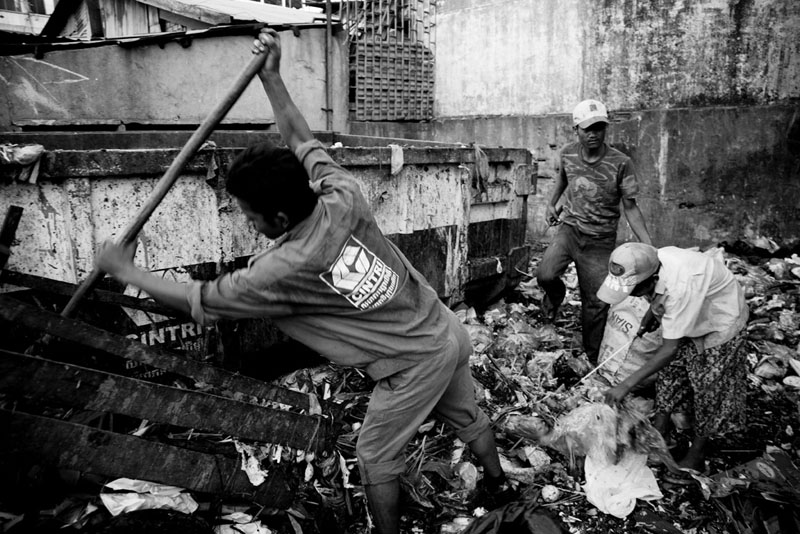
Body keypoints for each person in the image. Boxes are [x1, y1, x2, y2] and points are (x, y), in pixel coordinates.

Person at [95, 28, 511, 534]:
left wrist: (126, 270)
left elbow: (198, 299)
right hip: (444, 329)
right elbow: (301, 139)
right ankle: (498, 483)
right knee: (466, 416)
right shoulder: (340, 193)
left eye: (249, 215)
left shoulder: (282, 269)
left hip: (411, 362)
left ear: (275, 215)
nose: (247, 221)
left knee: (375, 456)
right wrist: (273, 77)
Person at [597, 243, 749, 478]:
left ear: (650, 279)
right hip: (691, 310)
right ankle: (660, 436)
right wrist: (651, 314)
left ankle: (697, 455)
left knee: (708, 388)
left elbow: (669, 349)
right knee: (670, 376)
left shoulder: (681, 287)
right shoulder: (654, 260)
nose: (632, 296)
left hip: (719, 320)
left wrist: (625, 385)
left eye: (635, 290)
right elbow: (660, 297)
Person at [536, 99, 651, 364]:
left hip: (600, 240)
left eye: (599, 128)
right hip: (570, 230)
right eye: (587, 128)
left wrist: (649, 246)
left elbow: (631, 208)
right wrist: (551, 203)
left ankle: (591, 358)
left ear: (605, 130)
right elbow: (563, 178)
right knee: (545, 274)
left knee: (596, 302)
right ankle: (557, 296)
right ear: (576, 129)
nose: (593, 134)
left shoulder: (621, 163)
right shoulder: (567, 153)